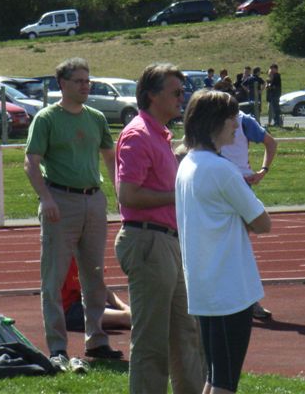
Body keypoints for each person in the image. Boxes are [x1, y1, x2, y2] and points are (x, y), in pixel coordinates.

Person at [24, 57, 122, 369]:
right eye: (79, 80)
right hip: (60, 202)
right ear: (63, 84)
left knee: (94, 276)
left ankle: (96, 340)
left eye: (87, 80)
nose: (85, 85)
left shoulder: (95, 118)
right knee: (53, 278)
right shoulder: (46, 118)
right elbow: (31, 162)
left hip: (93, 201)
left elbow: (110, 157)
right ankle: (58, 348)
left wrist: (121, 194)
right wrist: (46, 198)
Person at [114, 63, 204, 394]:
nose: (183, 98)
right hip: (148, 241)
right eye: (177, 92)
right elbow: (128, 195)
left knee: (186, 334)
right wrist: (177, 195)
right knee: (152, 342)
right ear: (152, 95)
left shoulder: (160, 135)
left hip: (166, 242)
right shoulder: (138, 135)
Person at [176, 89, 272, 394]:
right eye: (232, 118)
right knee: (225, 381)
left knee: (215, 376)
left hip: (205, 285)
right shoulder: (222, 169)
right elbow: (262, 222)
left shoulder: (188, 164)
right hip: (229, 290)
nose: (237, 124)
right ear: (215, 122)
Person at [220, 100, 278, 320]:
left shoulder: (244, 121)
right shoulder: (208, 121)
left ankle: (247, 301)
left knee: (239, 246)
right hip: (216, 188)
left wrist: (263, 170)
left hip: (240, 188)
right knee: (223, 247)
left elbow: (271, 143)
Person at [62, 258, 132, 331]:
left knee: (126, 314)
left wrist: (124, 307)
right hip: (68, 312)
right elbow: (91, 292)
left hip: (81, 305)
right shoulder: (69, 258)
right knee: (126, 317)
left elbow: (100, 286)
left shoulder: (90, 253)